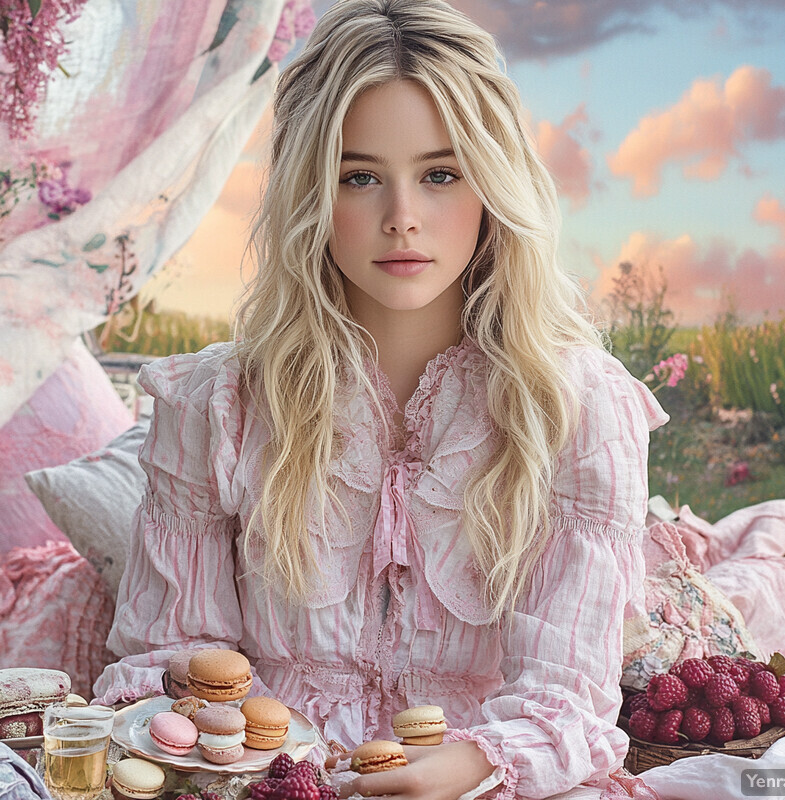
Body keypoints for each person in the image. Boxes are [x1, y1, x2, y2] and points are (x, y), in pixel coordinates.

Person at [93, 1, 669, 798]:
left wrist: (469, 766)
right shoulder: (214, 403)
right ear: (310, 195)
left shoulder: (576, 408)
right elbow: (167, 660)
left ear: (493, 183)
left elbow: (566, 698)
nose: (403, 219)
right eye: (359, 177)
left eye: (441, 174)